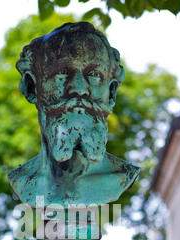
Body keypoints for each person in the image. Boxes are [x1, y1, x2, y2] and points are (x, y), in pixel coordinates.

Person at [9, 22, 139, 207]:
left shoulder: (122, 176)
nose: (79, 89)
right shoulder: (22, 181)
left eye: (94, 75)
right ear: (32, 87)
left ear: (111, 92)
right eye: (61, 73)